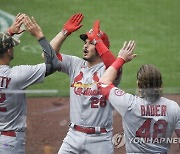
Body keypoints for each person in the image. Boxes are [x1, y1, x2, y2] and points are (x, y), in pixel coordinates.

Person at [48, 13, 122, 153]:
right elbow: (47, 56)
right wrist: (64, 32)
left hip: (100, 139)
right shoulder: (75, 64)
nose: (85, 46)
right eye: (85, 42)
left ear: (100, 47)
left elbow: (115, 65)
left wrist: (98, 42)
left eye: (91, 43)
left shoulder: (108, 71)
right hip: (73, 136)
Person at [98, 40, 180, 153]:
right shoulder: (173, 107)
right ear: (161, 84)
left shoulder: (128, 104)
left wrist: (121, 59)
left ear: (138, 83)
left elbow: (103, 82)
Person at [0, 13, 62, 154]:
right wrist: (40, 36)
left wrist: (9, 32)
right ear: (9, 51)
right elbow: (54, 64)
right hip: (9, 143)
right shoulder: (18, 76)